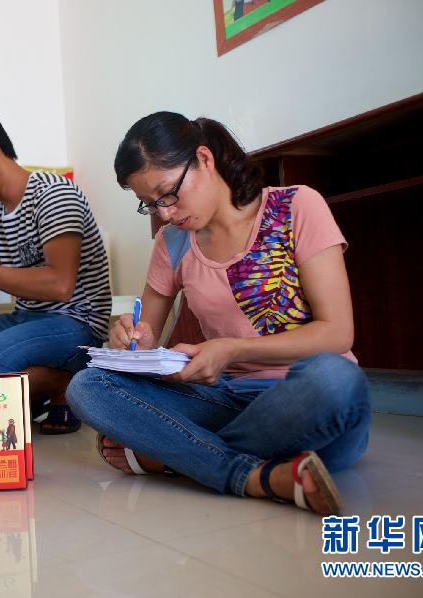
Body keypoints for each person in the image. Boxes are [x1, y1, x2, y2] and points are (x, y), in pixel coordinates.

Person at [66, 112, 371, 515]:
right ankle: (255, 476)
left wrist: (230, 350)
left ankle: (175, 457)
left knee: (335, 380)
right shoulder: (172, 243)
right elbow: (147, 337)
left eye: (167, 193)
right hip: (224, 401)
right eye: (150, 205)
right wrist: (130, 342)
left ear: (205, 160)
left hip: (303, 402)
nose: (166, 213)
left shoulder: (296, 206)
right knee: (87, 386)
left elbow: (337, 334)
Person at [0, 107, 112, 434]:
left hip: (76, 320)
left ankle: (64, 383)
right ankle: (32, 395)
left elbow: (60, 285)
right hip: (28, 318)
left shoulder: (54, 194)